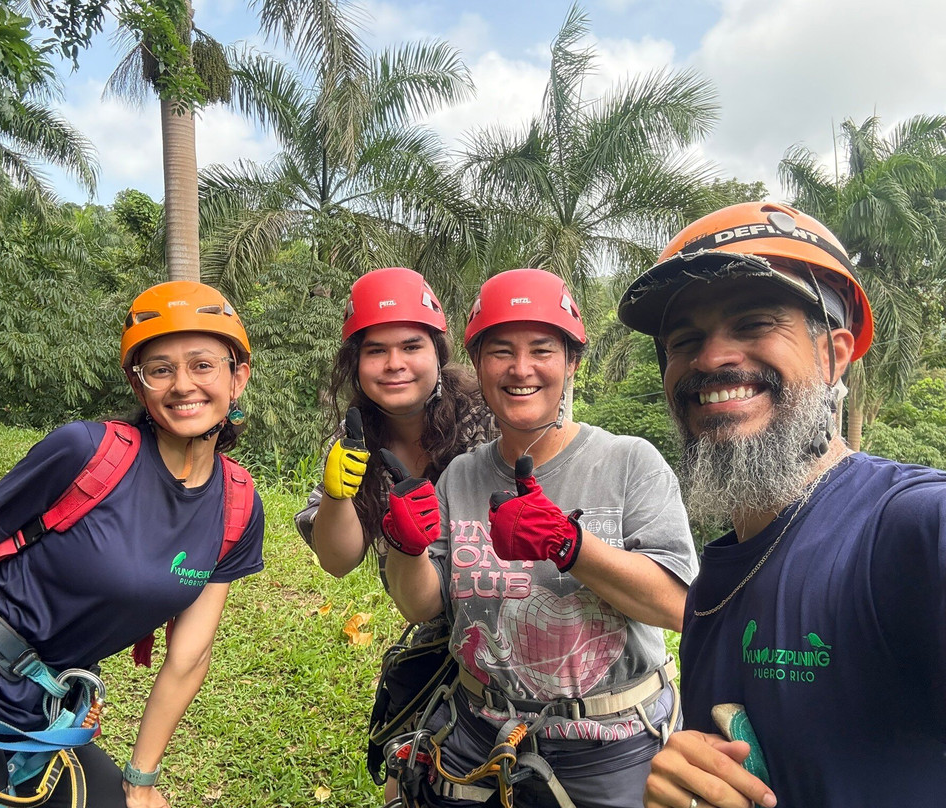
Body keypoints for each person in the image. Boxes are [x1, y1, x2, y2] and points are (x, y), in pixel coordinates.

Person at [0, 281, 265, 808]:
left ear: (238, 376)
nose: (182, 384)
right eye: (160, 369)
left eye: (203, 365)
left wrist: (141, 779)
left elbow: (189, 656)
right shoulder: (86, 452)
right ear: (138, 383)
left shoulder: (237, 506)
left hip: (44, 715)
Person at [617, 201, 946, 808]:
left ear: (835, 354)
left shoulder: (909, 528)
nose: (711, 358)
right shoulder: (717, 579)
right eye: (685, 339)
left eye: (754, 323)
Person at [381, 268, 699, 808]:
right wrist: (406, 551)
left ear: (572, 363)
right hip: (479, 733)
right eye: (500, 351)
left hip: (609, 744)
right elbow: (422, 607)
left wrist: (569, 545)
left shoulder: (627, 462)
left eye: (543, 350)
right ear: (479, 366)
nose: (521, 368)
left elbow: (677, 606)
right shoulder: (459, 475)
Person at [294, 266, 496, 790]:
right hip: (432, 625)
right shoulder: (355, 437)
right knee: (411, 779)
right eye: (375, 350)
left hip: (508, 613)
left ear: (438, 352)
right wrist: (339, 494)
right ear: (355, 362)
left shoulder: (486, 417)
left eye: (411, 345)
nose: (394, 364)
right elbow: (337, 561)